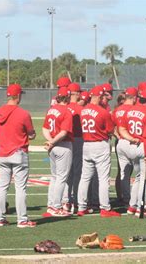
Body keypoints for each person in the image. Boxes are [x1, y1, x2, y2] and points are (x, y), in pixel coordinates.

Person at [0, 84, 36, 228]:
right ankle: (22, 219)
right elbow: (31, 133)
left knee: (2, 187)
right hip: (18, 152)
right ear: (18, 96)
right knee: (20, 188)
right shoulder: (23, 113)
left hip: (3, 152)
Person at [77, 86, 119, 217]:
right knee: (103, 178)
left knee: (85, 177)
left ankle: (81, 206)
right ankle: (105, 207)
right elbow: (110, 130)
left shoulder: (83, 110)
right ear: (100, 97)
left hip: (87, 144)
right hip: (100, 144)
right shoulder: (103, 112)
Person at [118, 88, 146, 217]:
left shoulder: (129, 110)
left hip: (129, 144)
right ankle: (141, 207)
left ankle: (132, 206)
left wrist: (130, 138)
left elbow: (121, 129)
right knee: (145, 179)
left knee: (138, 178)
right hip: (142, 146)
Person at [42, 87, 73, 217]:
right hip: (62, 145)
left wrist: (50, 142)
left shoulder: (51, 110)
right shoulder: (67, 111)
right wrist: (53, 141)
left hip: (53, 146)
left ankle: (51, 205)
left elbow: (44, 128)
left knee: (54, 177)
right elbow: (64, 132)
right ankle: (56, 206)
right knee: (61, 178)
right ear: (68, 97)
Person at [113, 88, 137, 206]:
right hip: (133, 141)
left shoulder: (117, 110)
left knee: (123, 172)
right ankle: (136, 199)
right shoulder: (133, 109)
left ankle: (124, 197)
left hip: (120, 141)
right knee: (139, 173)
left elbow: (112, 126)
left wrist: (117, 135)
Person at [63, 82, 83, 214]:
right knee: (77, 172)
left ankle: (65, 201)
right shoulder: (80, 108)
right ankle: (76, 199)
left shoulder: (63, 107)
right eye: (79, 92)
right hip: (78, 139)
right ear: (75, 94)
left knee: (65, 173)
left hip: (63, 140)